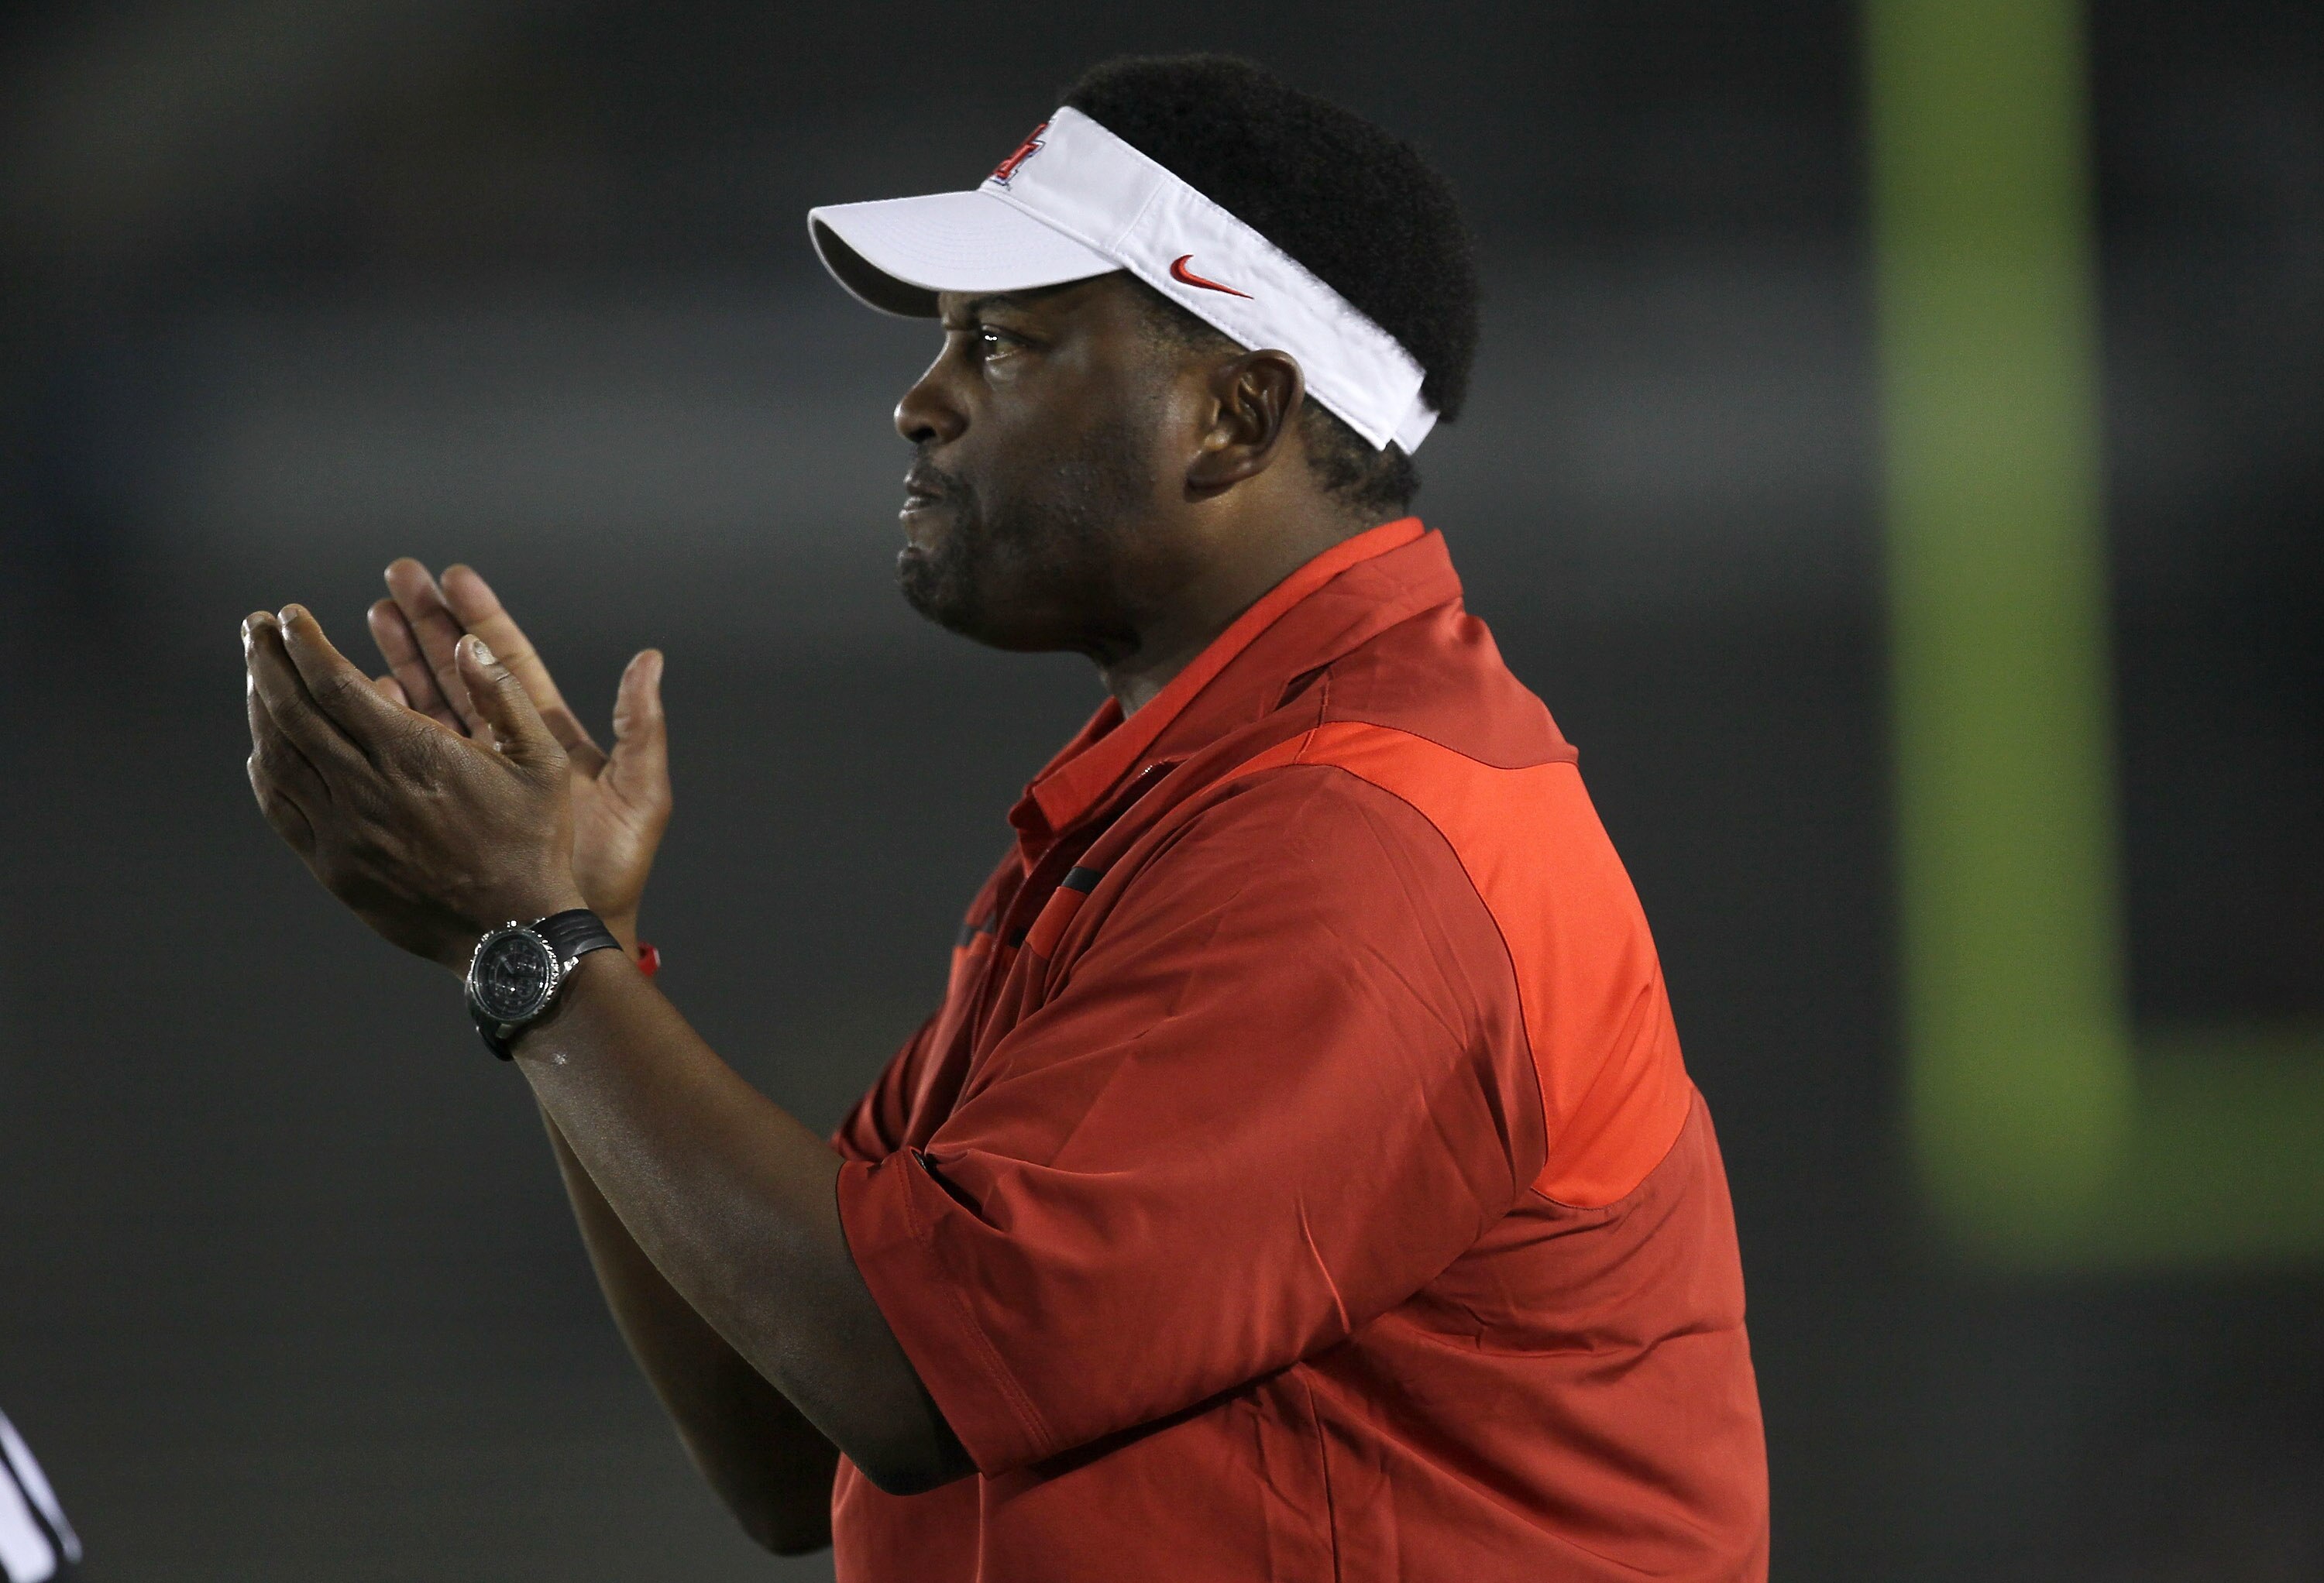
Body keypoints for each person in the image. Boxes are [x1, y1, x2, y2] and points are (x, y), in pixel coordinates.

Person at [242, 54, 1769, 1581]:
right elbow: (796, 1435)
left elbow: (908, 1375)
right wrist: (563, 935)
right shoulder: (1201, 798)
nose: (921, 400)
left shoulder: (1367, 847)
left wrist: (547, 957)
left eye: (1006, 342)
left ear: (1234, 415)